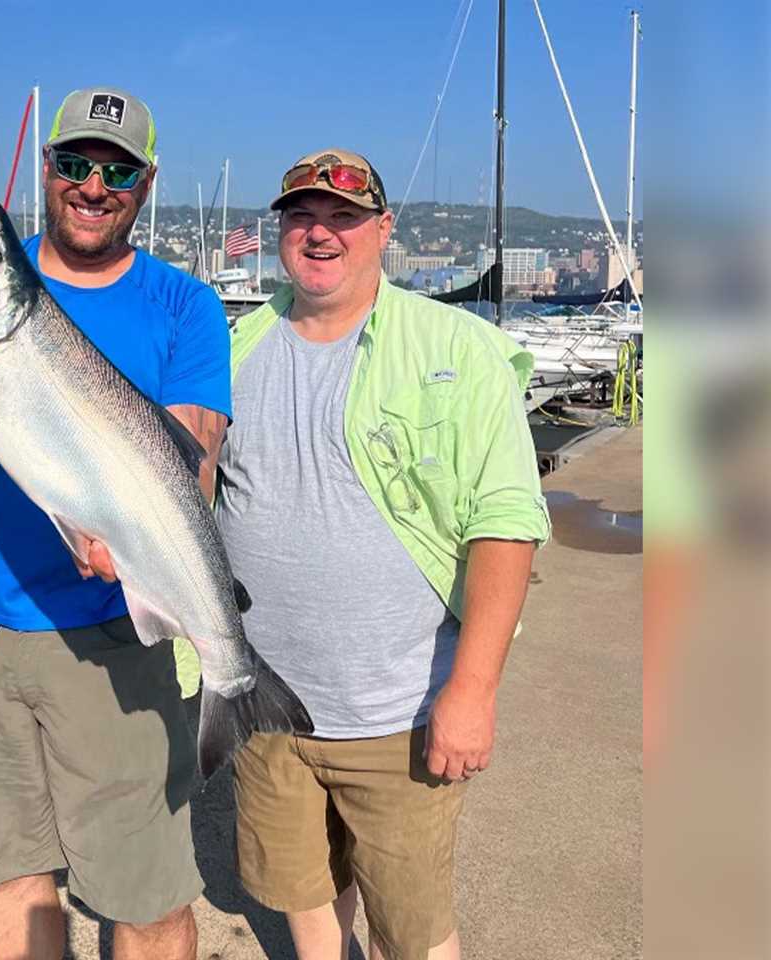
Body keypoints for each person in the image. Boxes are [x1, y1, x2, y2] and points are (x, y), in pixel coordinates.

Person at [0, 87, 230, 960]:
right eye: (75, 162)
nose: (93, 183)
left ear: (145, 183)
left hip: (115, 632)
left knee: (147, 893)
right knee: (11, 880)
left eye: (116, 168)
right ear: (48, 170)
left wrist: (135, 541)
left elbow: (190, 450)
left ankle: (238, 679)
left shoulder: (185, 306)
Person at [215, 149, 551, 960]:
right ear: (281, 231)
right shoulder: (235, 346)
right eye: (302, 216)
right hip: (264, 704)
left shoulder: (460, 348)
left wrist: (471, 692)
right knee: (304, 894)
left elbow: (506, 522)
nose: (320, 234)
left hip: (397, 711)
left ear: (382, 229)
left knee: (415, 928)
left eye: (344, 216)